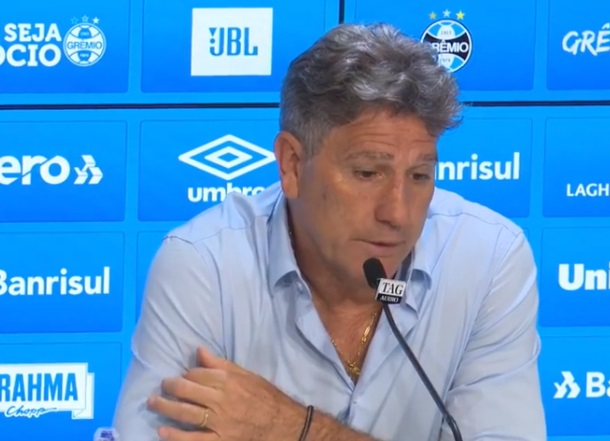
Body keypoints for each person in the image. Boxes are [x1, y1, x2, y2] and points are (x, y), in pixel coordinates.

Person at [112, 22, 546, 441]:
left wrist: (290, 428)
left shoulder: (488, 259)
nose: (397, 213)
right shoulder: (205, 265)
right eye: (368, 173)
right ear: (292, 165)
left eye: (419, 176)